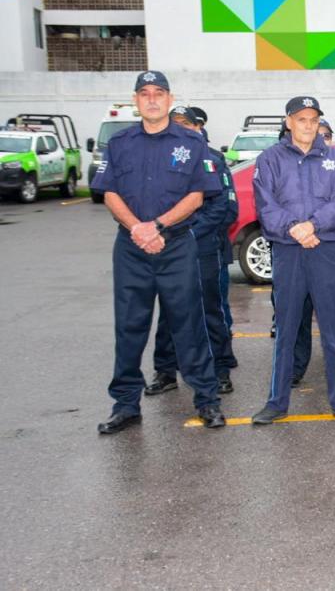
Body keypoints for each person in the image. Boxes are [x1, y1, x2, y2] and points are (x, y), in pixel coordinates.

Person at [90, 71, 226, 433]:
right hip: (132, 248)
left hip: (176, 245)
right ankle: (125, 405)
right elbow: (109, 192)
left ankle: (207, 400)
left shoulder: (191, 142)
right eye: (145, 93)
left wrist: (158, 226)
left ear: (169, 98)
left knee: (189, 325)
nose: (152, 99)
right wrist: (138, 228)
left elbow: (197, 195)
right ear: (136, 100)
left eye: (159, 93)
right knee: (130, 327)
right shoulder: (119, 144)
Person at [250, 96, 335, 426]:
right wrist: (294, 230)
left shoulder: (334, 157)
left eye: (313, 119)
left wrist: (313, 225)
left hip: (326, 250)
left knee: (333, 329)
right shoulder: (269, 159)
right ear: (288, 121)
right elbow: (265, 205)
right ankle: (277, 402)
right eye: (301, 119)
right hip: (288, 252)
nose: (308, 125)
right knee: (286, 330)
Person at [147, 106, 239, 396]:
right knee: (168, 313)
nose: (182, 129)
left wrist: (185, 233)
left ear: (198, 127)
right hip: (168, 250)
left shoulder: (211, 160)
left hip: (201, 248)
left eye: (187, 124)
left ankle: (220, 370)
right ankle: (165, 372)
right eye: (176, 124)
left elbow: (221, 208)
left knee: (209, 309)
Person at [288, 119, 335, 388]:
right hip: (298, 248)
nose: (322, 139)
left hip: (333, 246)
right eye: (317, 134)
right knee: (298, 310)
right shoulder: (290, 165)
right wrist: (302, 233)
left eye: (327, 135)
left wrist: (318, 228)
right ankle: (295, 367)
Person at [190, 105, 237, 335]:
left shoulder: (214, 159)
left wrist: (200, 233)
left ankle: (222, 350)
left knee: (215, 304)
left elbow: (228, 209)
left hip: (212, 246)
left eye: (192, 124)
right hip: (180, 247)